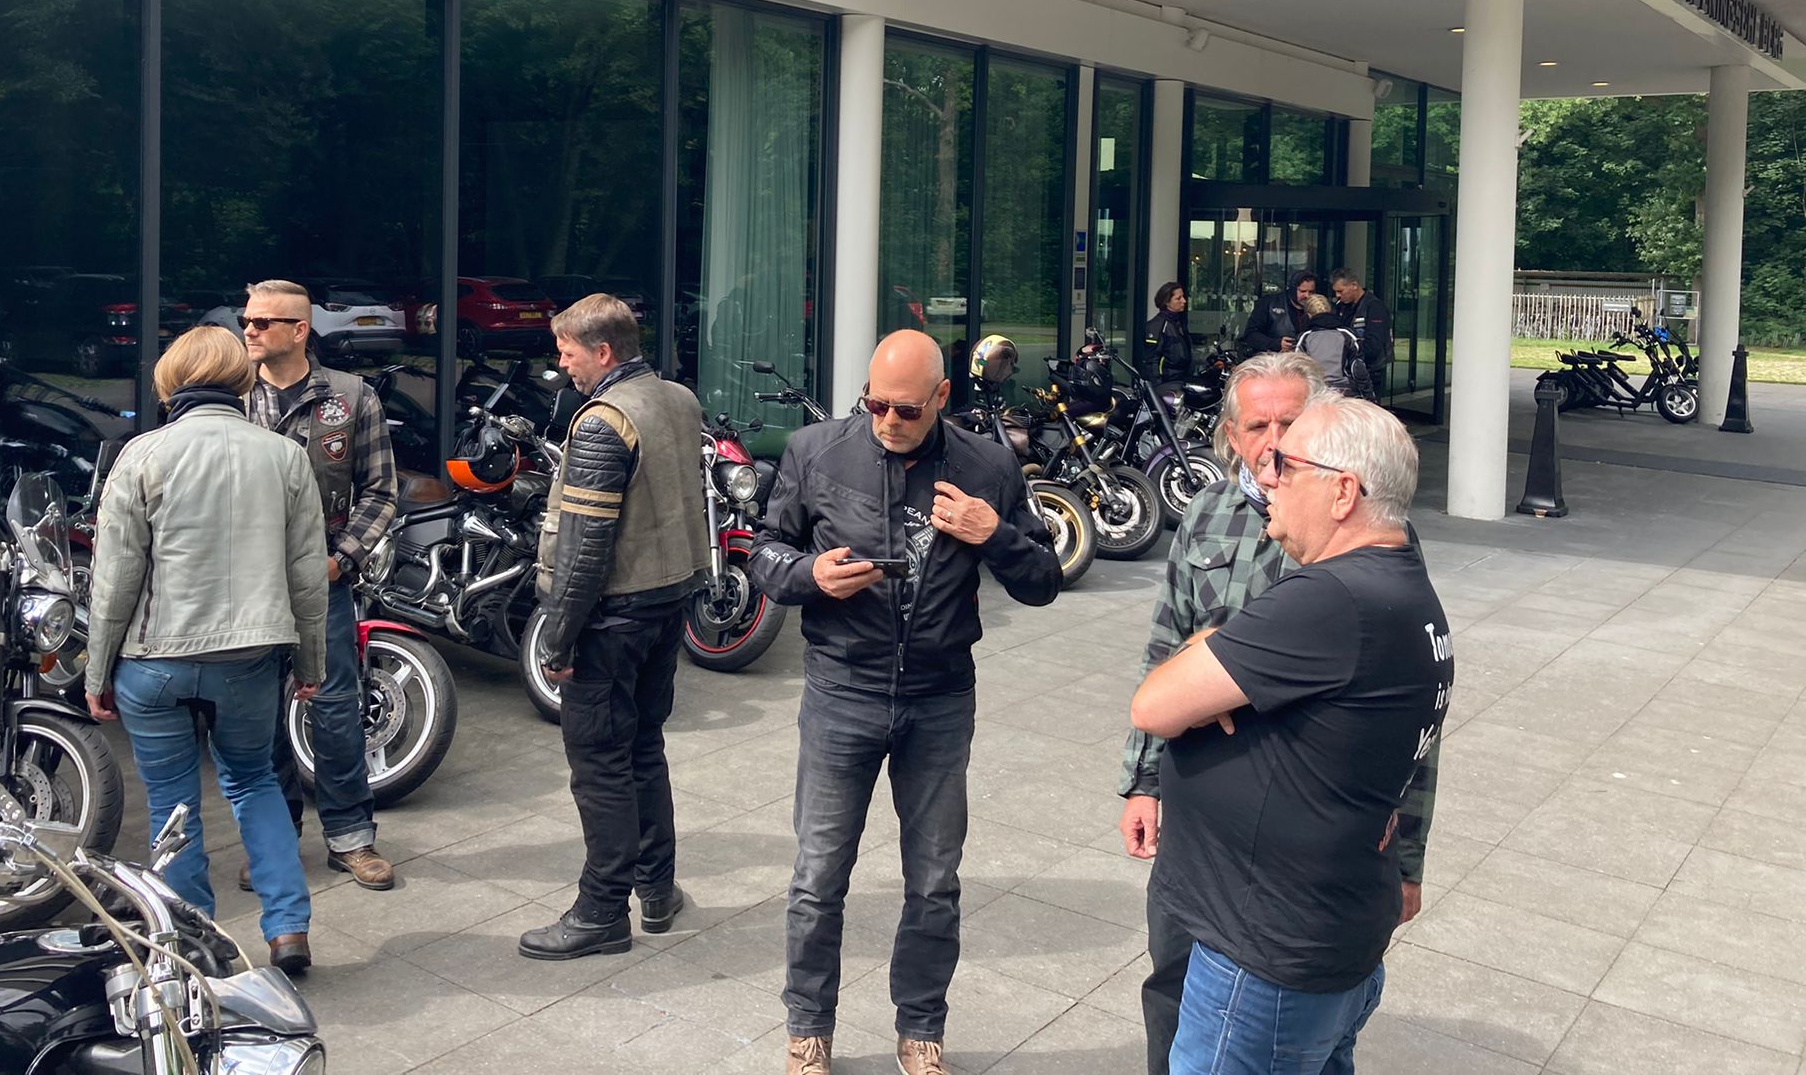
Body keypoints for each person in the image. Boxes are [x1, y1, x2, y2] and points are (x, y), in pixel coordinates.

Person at [750, 330, 1062, 1075]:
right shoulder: (816, 452)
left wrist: (993, 534)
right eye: (876, 404)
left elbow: (1043, 582)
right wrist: (809, 576)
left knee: (933, 882)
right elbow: (763, 551)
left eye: (908, 410)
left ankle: (921, 1028)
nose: (889, 420)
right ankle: (808, 1029)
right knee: (818, 878)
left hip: (939, 699)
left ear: (942, 398)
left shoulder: (988, 465)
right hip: (842, 690)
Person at [1117, 352, 1437, 1075]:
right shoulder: (1206, 513)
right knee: (1171, 986)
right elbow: (1165, 646)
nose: (1272, 446)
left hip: (1277, 884)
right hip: (1203, 845)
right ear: (1230, 435)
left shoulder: (1365, 546)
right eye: (1257, 427)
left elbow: (1411, 723)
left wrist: (1408, 856)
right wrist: (1143, 781)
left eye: (1289, 426)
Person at [85, 326, 328, 974]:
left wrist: (96, 669)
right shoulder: (285, 456)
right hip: (249, 658)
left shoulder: (141, 454)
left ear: (170, 383)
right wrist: (311, 663)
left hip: (154, 661)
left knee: (173, 802)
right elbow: (308, 575)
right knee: (254, 781)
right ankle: (288, 928)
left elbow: (115, 579)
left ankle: (196, 942)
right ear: (241, 381)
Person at [521, 293, 706, 961]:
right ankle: (656, 891)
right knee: (643, 748)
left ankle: (601, 912)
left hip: (612, 618)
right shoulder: (679, 399)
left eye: (567, 351)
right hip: (667, 604)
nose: (561, 364)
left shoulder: (604, 421)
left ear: (602, 352)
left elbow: (584, 545)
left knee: (600, 767)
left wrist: (558, 637)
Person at [241, 279, 399, 892]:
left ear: (299, 330)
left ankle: (352, 837)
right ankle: (275, 841)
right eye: (247, 320)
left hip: (320, 579)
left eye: (262, 322)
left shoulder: (352, 397)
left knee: (334, 709)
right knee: (256, 713)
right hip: (245, 582)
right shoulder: (230, 394)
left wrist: (340, 560)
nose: (249, 330)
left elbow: (381, 491)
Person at [1295, 296, 1372, 401]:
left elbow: (1299, 369)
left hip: (1317, 393)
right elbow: (1357, 368)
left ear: (1308, 315)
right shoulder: (1347, 334)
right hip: (1345, 393)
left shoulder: (1305, 338)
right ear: (1330, 311)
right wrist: (1369, 397)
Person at [1330, 269, 1392, 392]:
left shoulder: (1374, 307)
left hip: (1370, 371)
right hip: (1348, 371)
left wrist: (1347, 352)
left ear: (1354, 285)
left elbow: (1374, 346)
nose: (1338, 296)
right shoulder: (1341, 307)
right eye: (1336, 292)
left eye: (1341, 291)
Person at [1238, 272, 1317, 358]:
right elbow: (1251, 335)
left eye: (1311, 292)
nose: (1307, 295)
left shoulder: (1317, 308)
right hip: (1273, 360)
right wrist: (1276, 344)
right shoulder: (1269, 303)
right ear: (1293, 290)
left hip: (1306, 360)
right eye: (1302, 291)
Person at [1140, 282, 1194, 382]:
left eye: (1183, 297)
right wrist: (1157, 384)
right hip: (1166, 382)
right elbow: (1151, 361)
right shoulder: (1156, 326)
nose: (1184, 301)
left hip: (1182, 379)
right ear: (1166, 302)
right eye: (1178, 298)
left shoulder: (1178, 322)